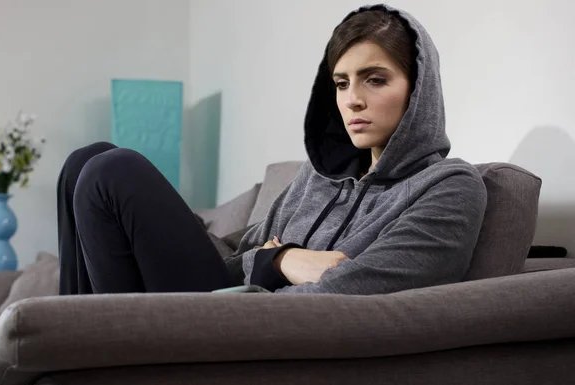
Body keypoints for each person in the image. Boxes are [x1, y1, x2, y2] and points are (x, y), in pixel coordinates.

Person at [58, 4, 487, 296]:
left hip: (258, 324)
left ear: (419, 91)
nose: (352, 100)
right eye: (341, 83)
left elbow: (355, 286)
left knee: (112, 172)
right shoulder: (318, 175)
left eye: (375, 79)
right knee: (84, 161)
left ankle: (99, 358)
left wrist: (272, 261)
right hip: (230, 294)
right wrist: (282, 260)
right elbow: (246, 253)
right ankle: (78, 356)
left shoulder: (449, 186)